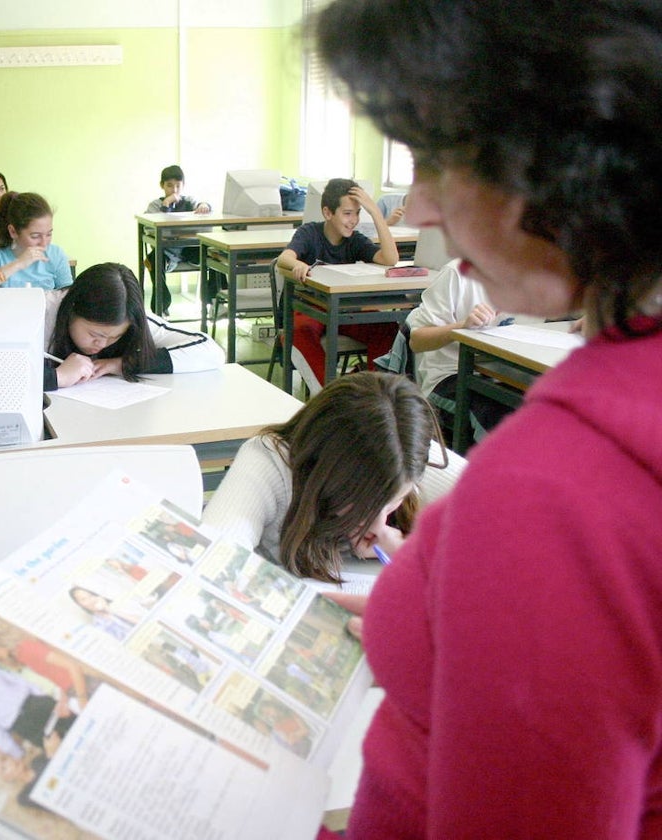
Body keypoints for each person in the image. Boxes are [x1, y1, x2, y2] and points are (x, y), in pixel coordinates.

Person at [314, 1, 662, 836]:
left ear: (564, 159)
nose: (420, 207)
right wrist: (437, 609)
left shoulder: (548, 495)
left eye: (437, 160)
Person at [201, 372, 460, 584]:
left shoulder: (407, 451)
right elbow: (212, 561)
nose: (378, 523)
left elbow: (497, 511)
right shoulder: (269, 460)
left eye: (392, 503)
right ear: (325, 472)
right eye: (361, 503)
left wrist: (411, 549)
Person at [277, 178, 399, 383]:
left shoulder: (355, 240)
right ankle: (329, 394)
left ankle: (370, 388)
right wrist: (297, 264)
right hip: (310, 308)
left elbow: (390, 259)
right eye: (347, 214)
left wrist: (375, 213)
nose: (354, 220)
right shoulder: (310, 232)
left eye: (358, 213)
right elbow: (284, 258)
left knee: (388, 328)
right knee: (298, 332)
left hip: (343, 310)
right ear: (328, 212)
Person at [44, 262, 224, 390]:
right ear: (72, 309)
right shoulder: (42, 312)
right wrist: (58, 377)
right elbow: (15, 376)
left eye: (115, 337)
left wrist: (122, 364)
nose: (102, 344)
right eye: (94, 334)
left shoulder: (127, 316)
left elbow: (210, 350)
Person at [404, 257, 515, 438]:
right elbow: (417, 340)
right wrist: (462, 326)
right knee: (498, 420)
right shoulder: (458, 272)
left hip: (507, 375)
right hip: (450, 375)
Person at [0, 192, 72, 290]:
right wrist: (18, 264)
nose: (44, 243)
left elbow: (70, 299)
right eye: (35, 236)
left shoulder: (56, 254)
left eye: (49, 234)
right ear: (13, 231)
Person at [144, 164, 213, 314]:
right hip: (167, 252)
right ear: (162, 185)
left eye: (177, 186)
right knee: (152, 259)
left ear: (183, 185)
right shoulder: (155, 205)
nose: (174, 190)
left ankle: (213, 300)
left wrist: (204, 205)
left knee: (215, 254)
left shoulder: (189, 201)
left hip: (190, 250)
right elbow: (152, 228)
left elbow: (205, 207)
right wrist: (166, 205)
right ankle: (161, 305)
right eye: (169, 186)